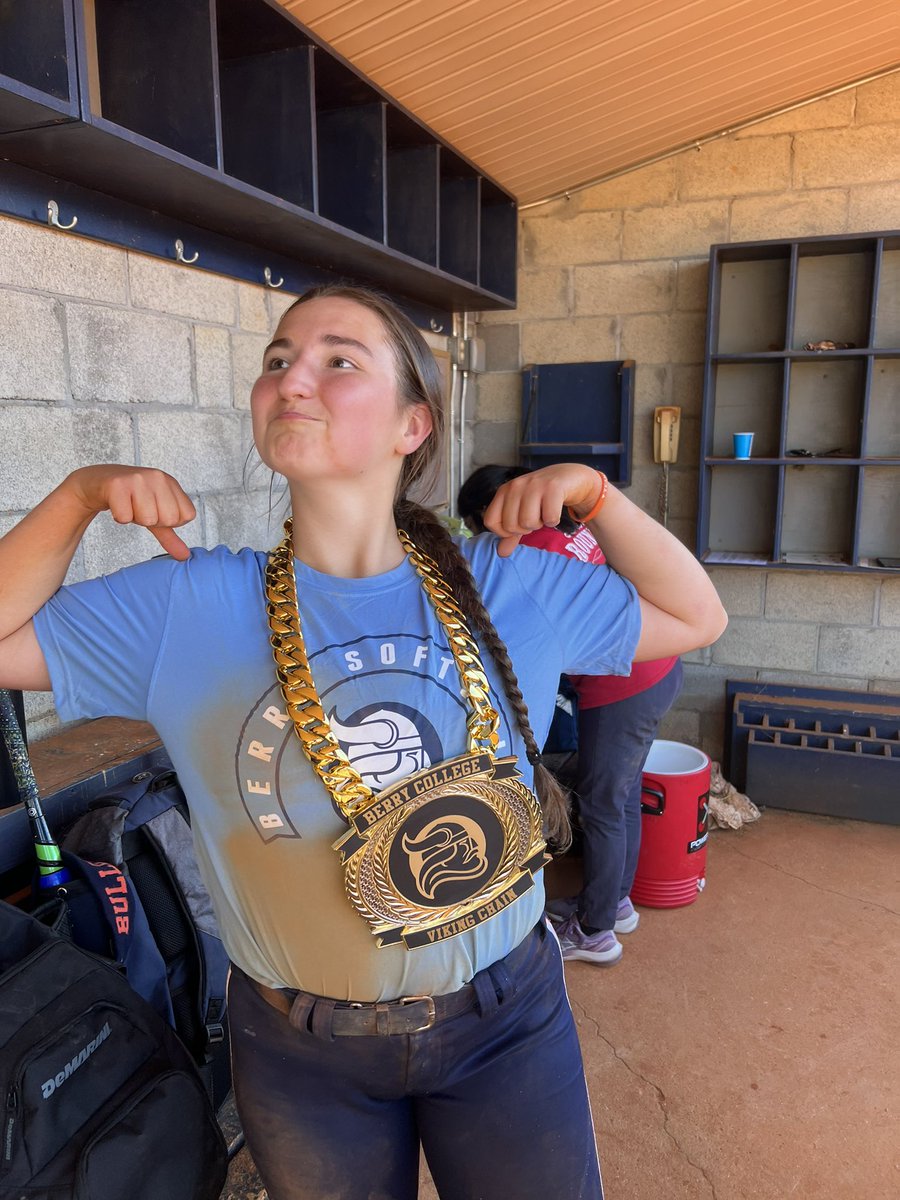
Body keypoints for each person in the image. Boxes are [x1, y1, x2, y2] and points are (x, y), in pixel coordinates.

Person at [0, 285, 727, 1200]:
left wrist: (600, 497)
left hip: (507, 1019)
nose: (292, 377)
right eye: (276, 360)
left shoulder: (509, 584)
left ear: (412, 426)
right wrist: (77, 497)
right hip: (299, 1051)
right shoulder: (187, 603)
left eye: (338, 360)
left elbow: (695, 614)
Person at [458, 465, 684, 967]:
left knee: (602, 805)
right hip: (660, 667)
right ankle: (613, 903)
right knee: (619, 797)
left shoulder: (524, 554)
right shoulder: (565, 527)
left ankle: (595, 931)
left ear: (488, 517)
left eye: (475, 531)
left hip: (620, 685)